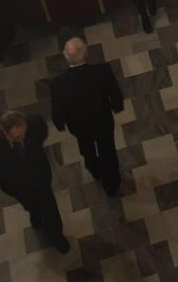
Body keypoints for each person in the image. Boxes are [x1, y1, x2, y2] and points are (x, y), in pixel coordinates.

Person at [0, 110, 68, 252]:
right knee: (30, 203)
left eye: (24, 133)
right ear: (4, 132)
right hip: (16, 183)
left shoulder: (34, 121)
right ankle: (34, 212)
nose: (23, 137)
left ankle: (58, 237)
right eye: (18, 137)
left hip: (39, 175)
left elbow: (42, 133)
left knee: (49, 207)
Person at [50, 37, 133, 195]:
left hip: (79, 126)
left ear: (65, 56)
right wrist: (117, 107)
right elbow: (114, 93)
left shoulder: (58, 84)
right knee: (107, 150)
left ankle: (95, 170)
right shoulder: (102, 71)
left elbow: (57, 110)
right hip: (102, 120)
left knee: (86, 148)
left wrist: (60, 124)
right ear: (85, 53)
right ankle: (112, 184)